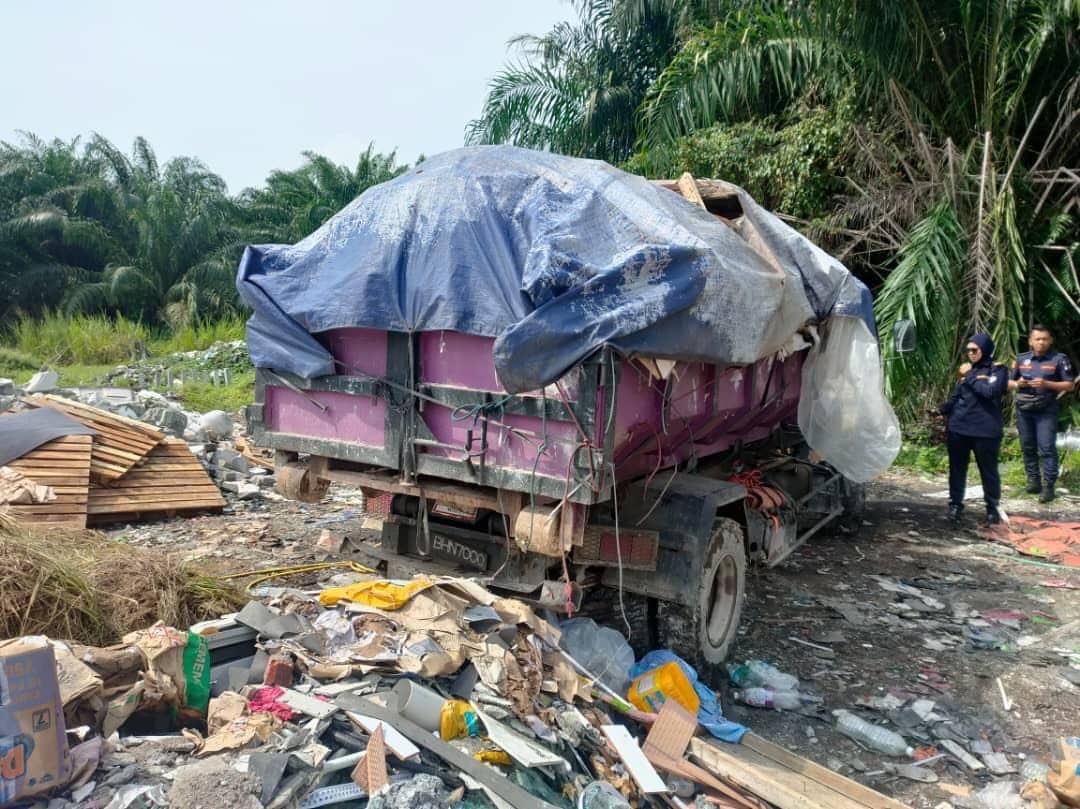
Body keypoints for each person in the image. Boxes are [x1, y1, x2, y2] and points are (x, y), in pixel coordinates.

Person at [939, 334, 1008, 524]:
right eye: (968, 350)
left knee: (988, 470)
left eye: (974, 350)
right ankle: (955, 505)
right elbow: (956, 398)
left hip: (986, 430)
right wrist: (941, 410)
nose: (971, 353)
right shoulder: (967, 372)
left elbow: (989, 392)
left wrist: (968, 375)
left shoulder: (997, 370)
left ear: (985, 349)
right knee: (957, 469)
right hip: (959, 428)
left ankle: (992, 507)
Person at [1009, 324, 1074, 503]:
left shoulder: (1059, 359)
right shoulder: (1022, 359)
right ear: (1030, 341)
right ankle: (1033, 481)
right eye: (1037, 339)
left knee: (1046, 448)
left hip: (1046, 410)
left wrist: (1047, 384)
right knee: (1027, 447)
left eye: (1045, 339)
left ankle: (1048, 487)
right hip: (1024, 410)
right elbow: (1008, 382)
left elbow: (1070, 385)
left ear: (1050, 340)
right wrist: (1017, 384)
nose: (1041, 342)